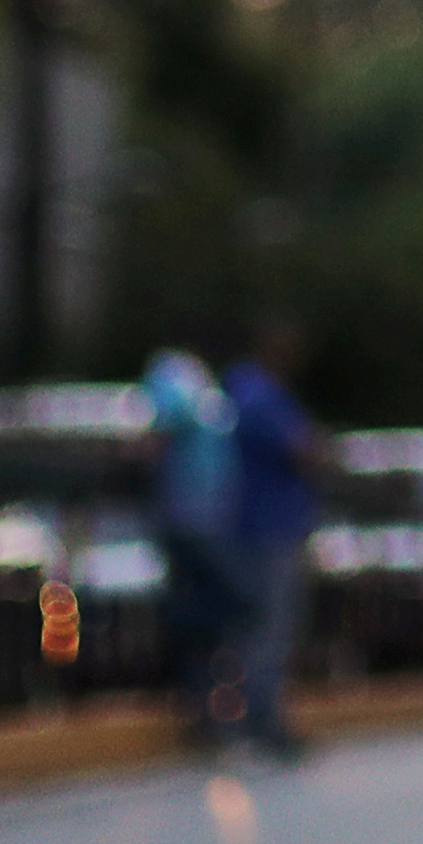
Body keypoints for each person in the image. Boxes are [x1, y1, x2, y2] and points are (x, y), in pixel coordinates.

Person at [220, 320, 324, 756]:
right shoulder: (259, 395)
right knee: (270, 628)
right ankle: (263, 724)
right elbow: (303, 448)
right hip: (268, 529)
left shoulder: (243, 391)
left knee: (263, 627)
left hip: (259, 527)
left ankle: (259, 718)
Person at [142, 345, 240, 747]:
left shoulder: (173, 379)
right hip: (211, 525)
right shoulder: (209, 397)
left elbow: (163, 430)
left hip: (192, 522)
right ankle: (209, 708)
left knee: (195, 618)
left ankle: (203, 709)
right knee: (209, 617)